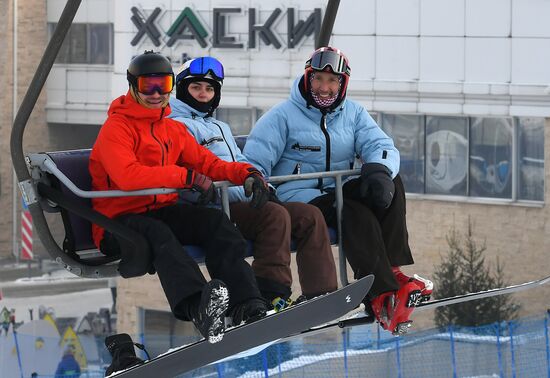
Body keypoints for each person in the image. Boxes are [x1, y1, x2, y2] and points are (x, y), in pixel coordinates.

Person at [90, 51, 269, 358]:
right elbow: (127, 176)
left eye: (164, 85)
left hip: (159, 209)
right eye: (149, 86)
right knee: (159, 235)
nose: (157, 94)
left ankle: (246, 303)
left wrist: (247, 174)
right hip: (117, 220)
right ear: (133, 86)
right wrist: (184, 176)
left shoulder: (172, 129)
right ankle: (199, 307)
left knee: (214, 223)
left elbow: (209, 163)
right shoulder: (116, 129)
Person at [243, 46, 433, 335]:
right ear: (307, 79)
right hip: (301, 197)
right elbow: (254, 163)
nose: (325, 88)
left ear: (343, 84)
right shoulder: (282, 116)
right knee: (353, 211)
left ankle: (392, 269)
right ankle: (381, 292)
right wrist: (261, 186)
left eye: (333, 82)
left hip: (338, 188)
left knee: (391, 181)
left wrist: (378, 170)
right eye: (318, 80)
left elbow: (380, 145)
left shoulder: (353, 113)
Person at [168, 56, 338, 307]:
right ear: (182, 89)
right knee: (273, 216)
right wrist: (206, 192)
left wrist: (263, 186)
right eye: (196, 87)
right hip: (215, 207)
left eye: (210, 88)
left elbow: (241, 162)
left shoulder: (220, 126)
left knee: (308, 215)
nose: (204, 94)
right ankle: (271, 292)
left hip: (241, 200)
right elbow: (181, 174)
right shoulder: (175, 127)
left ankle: (321, 294)